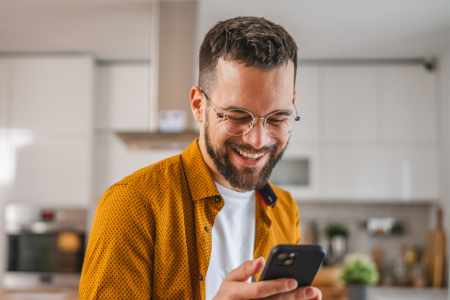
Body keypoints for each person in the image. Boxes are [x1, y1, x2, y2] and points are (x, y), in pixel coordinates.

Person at [79, 16, 322, 300]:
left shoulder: (285, 209)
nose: (258, 140)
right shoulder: (130, 204)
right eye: (237, 116)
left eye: (278, 118)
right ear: (198, 105)